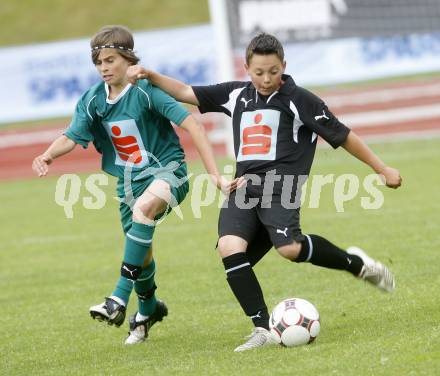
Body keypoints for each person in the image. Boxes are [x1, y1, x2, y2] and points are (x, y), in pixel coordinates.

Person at [126, 32, 402, 352]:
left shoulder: (300, 99)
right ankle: (261, 328)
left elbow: (343, 135)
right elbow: (186, 91)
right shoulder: (238, 95)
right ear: (246, 67)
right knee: (229, 247)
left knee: (290, 249)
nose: (266, 79)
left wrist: (381, 169)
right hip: (243, 187)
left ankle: (357, 265)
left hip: (280, 189)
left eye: (273, 71)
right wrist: (150, 74)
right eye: (258, 72)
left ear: (284, 65)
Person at [32, 25, 241, 345]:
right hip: (129, 184)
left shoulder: (146, 92)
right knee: (140, 252)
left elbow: (194, 125)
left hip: (169, 173)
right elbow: (72, 135)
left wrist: (214, 175)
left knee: (145, 210)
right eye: (99, 62)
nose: (104, 68)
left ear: (127, 58)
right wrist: (47, 155)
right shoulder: (92, 100)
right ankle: (147, 312)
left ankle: (117, 297)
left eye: (110, 60)